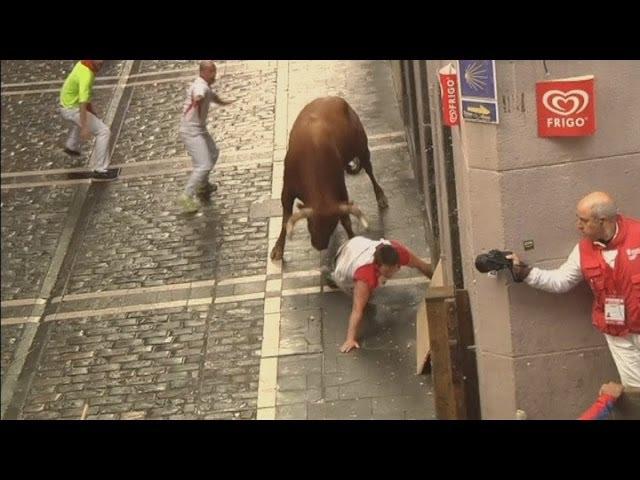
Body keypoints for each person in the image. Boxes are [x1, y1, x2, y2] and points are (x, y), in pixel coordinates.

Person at [509, 191, 640, 388]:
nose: (578, 226)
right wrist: (525, 273)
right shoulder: (583, 250)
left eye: (584, 220)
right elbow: (561, 281)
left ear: (602, 221)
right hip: (618, 333)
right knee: (636, 391)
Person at [325, 236, 433, 353]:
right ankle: (329, 275)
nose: (391, 273)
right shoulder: (365, 276)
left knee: (373, 287)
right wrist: (350, 339)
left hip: (359, 243)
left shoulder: (399, 251)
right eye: (387, 271)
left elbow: (423, 266)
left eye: (395, 269)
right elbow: (357, 310)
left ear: (398, 263)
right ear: (377, 267)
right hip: (345, 257)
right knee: (364, 300)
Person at [178, 61, 234, 213]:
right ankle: (186, 196)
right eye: (212, 72)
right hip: (191, 131)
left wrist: (226, 102)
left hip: (199, 129)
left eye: (214, 71)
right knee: (203, 165)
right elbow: (199, 93)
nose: (214, 75)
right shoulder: (200, 85)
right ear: (204, 72)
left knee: (213, 153)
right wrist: (197, 99)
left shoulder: (205, 86)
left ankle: (203, 184)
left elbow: (213, 97)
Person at [59, 60, 117, 181]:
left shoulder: (83, 64)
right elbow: (82, 102)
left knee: (81, 121)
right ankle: (100, 169)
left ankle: (71, 146)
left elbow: (84, 96)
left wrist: (91, 111)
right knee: (103, 131)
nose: (101, 62)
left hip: (67, 105)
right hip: (73, 109)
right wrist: (85, 127)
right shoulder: (87, 74)